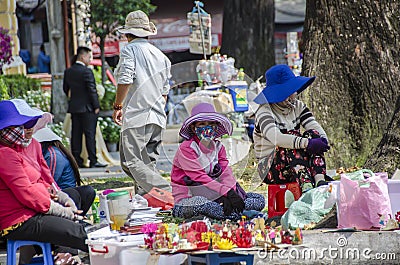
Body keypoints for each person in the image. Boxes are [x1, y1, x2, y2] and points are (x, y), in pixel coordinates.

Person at [0, 99, 88, 264]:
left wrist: (61, 198)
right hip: (18, 220)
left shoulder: (23, 146)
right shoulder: (5, 154)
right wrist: (59, 210)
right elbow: (27, 192)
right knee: (78, 233)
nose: (26, 129)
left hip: (34, 211)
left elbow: (43, 180)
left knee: (80, 227)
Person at [171, 103, 265, 221]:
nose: (207, 127)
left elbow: (226, 173)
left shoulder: (218, 147)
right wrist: (225, 193)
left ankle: (234, 212)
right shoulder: (187, 148)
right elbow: (199, 177)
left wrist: (232, 193)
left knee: (259, 200)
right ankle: (237, 214)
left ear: (216, 126)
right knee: (204, 205)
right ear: (193, 127)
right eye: (202, 124)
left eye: (211, 124)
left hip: (216, 193)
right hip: (190, 198)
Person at [112, 10, 172, 193]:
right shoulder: (161, 56)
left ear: (128, 34)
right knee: (145, 164)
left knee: (132, 162)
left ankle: (168, 192)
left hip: (138, 116)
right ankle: (149, 201)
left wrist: (118, 106)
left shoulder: (130, 50)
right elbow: (164, 92)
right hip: (157, 117)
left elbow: (125, 79)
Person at [252, 64, 330, 192]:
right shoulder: (264, 111)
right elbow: (276, 138)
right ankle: (306, 186)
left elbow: (313, 125)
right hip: (270, 167)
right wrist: (307, 143)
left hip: (295, 162)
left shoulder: (298, 106)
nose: (293, 94)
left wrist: (322, 141)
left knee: (313, 134)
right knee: (291, 139)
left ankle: (319, 180)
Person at [63, 46, 107, 168]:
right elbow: (91, 90)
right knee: (89, 134)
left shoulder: (68, 71)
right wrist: (96, 105)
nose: (90, 59)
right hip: (88, 108)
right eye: (89, 57)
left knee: (76, 135)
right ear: (82, 56)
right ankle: (93, 160)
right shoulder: (87, 71)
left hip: (74, 107)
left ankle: (77, 160)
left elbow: (65, 89)